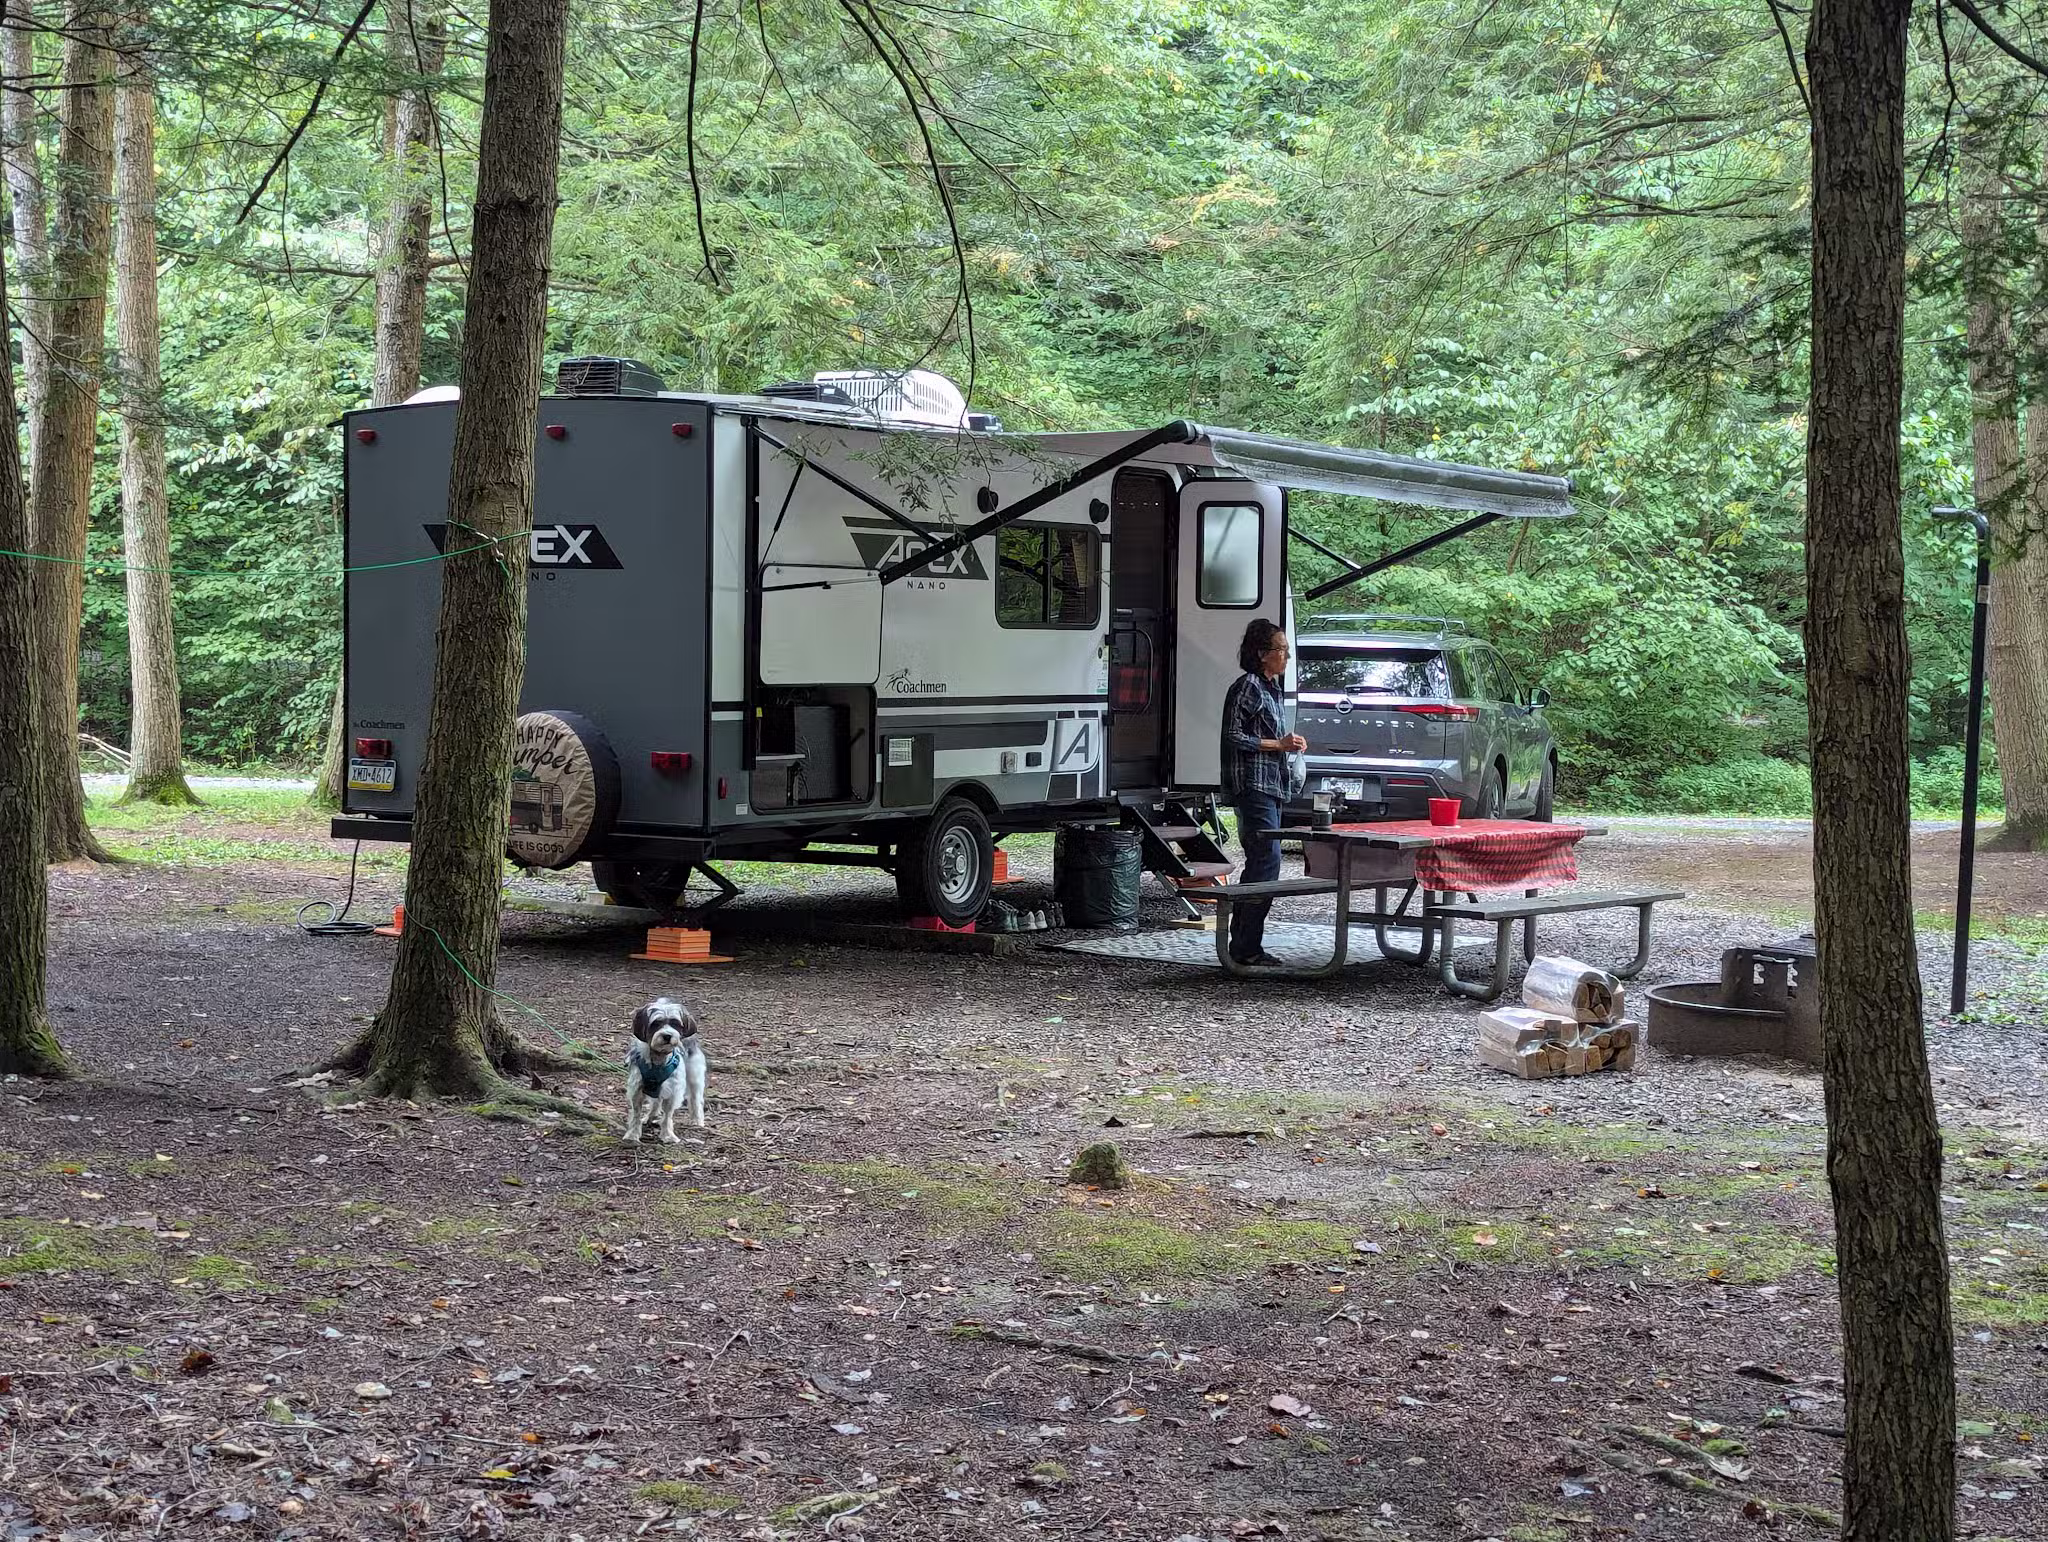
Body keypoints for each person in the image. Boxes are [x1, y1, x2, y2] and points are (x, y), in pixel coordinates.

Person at [1219, 618, 1305, 967]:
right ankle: (1244, 946)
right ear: (1261, 654)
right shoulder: (1248, 686)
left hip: (1273, 785)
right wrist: (1276, 744)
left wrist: (1290, 746)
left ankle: (1243, 941)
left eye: (1286, 649)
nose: (1286, 655)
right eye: (1280, 649)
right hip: (1252, 785)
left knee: (1263, 862)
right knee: (1266, 860)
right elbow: (1233, 735)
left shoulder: (1273, 689)